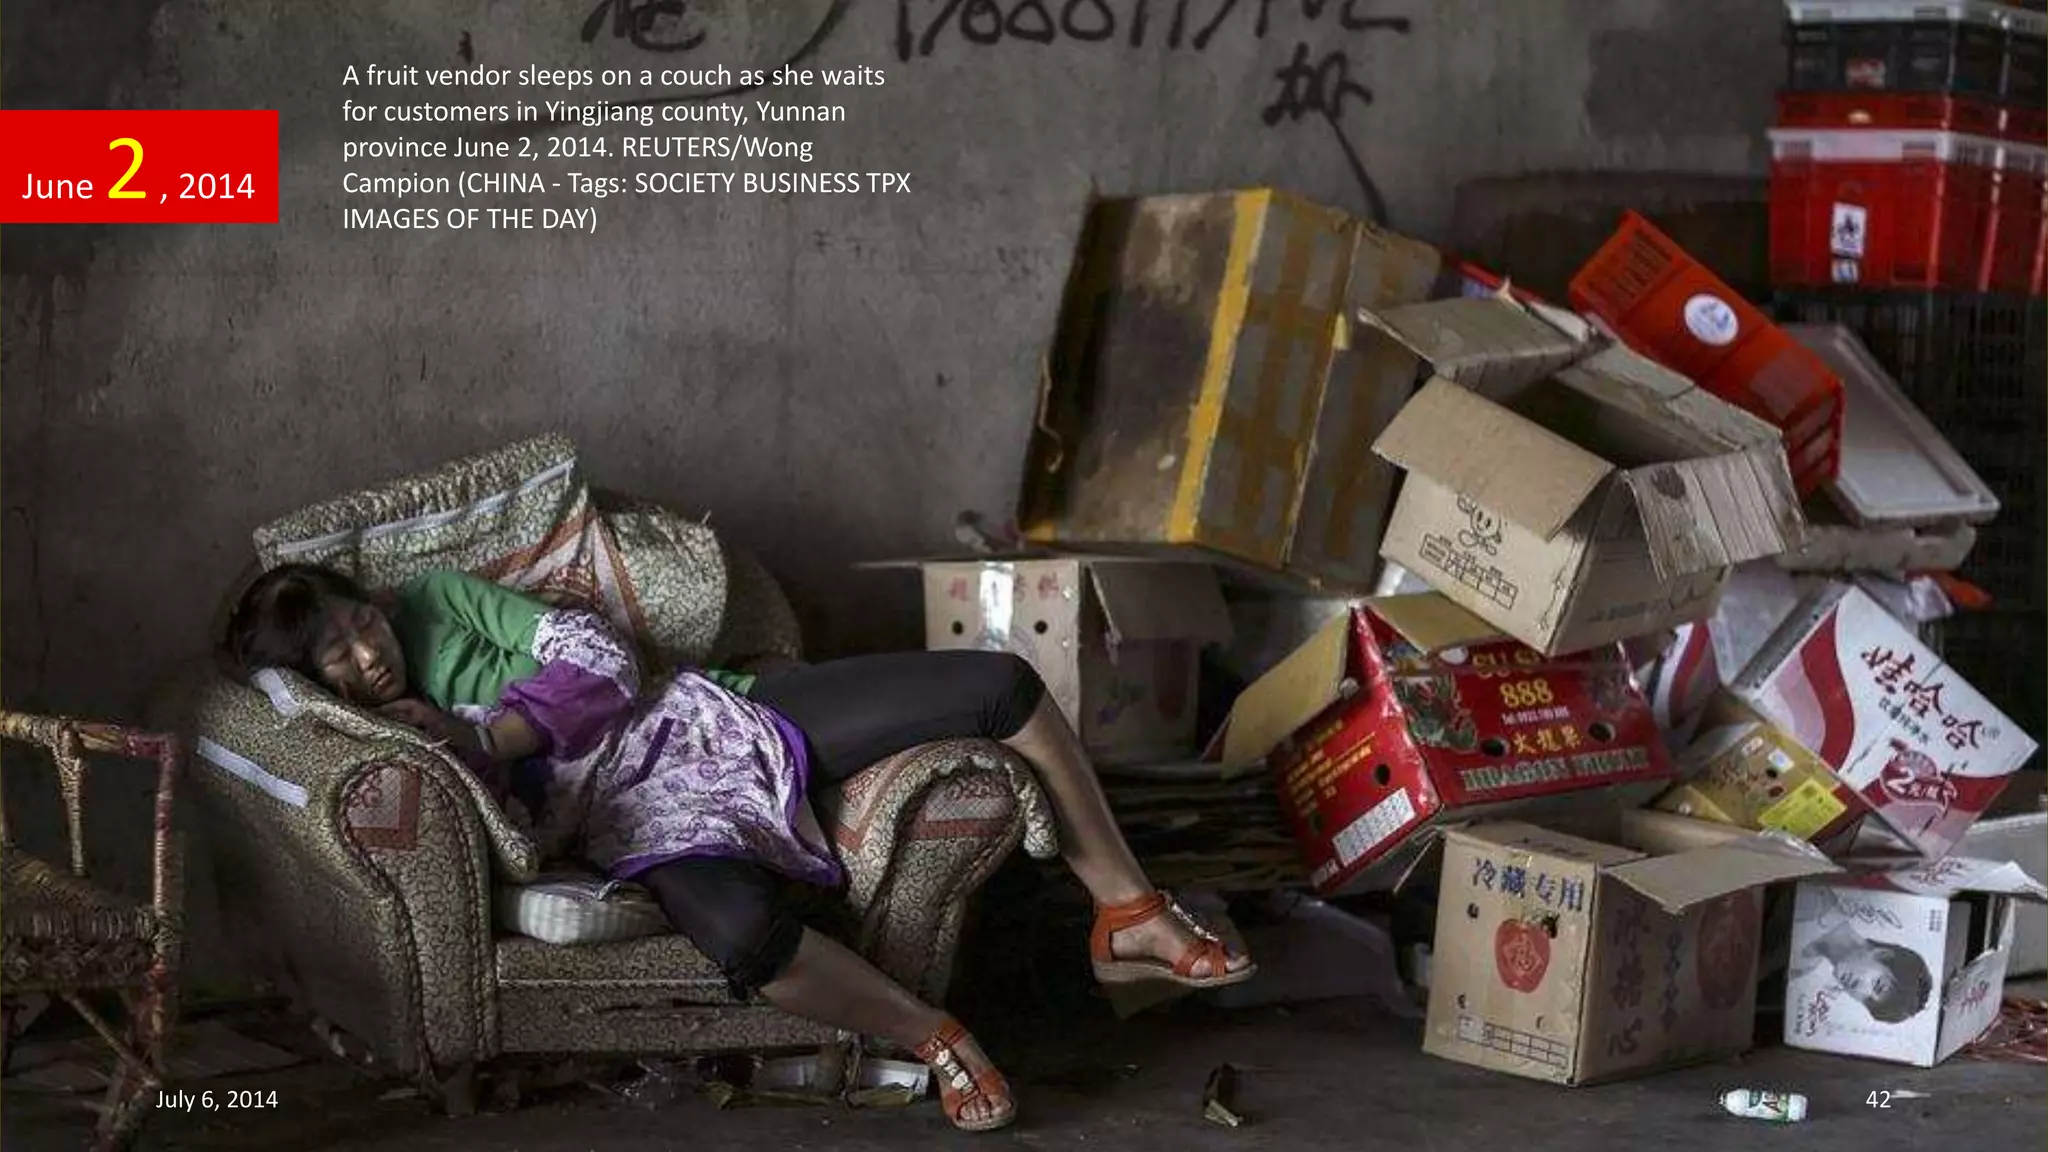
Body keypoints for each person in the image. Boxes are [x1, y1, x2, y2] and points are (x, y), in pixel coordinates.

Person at [222, 564, 1254, 1132]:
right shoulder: (373, 737)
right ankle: (932, 1037)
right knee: (746, 935)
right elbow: (518, 837)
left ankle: (1127, 913)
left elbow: (600, 657)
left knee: (995, 683)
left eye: (359, 620)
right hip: (638, 819)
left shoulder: (439, 602)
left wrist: (489, 734)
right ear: (313, 682)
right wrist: (445, 751)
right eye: (337, 656)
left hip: (710, 719)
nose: (369, 650)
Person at [1789, 886, 1935, 1026]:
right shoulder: (1814, 905)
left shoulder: (1804, 968)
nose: (1859, 990)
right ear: (1881, 954)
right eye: (1878, 985)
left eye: (1867, 1001)